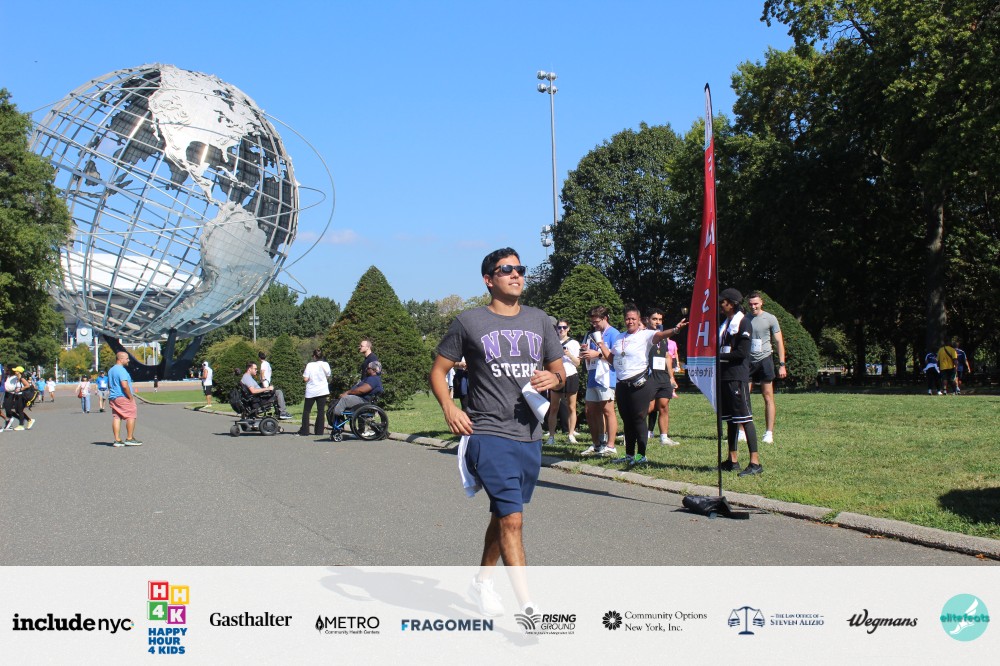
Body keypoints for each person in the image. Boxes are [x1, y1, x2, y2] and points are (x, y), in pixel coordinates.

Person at [429, 248, 563, 618]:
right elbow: (438, 371)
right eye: (507, 270)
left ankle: (482, 582)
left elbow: (560, 371)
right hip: (487, 431)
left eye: (520, 269)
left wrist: (554, 378)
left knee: (504, 513)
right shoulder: (469, 321)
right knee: (513, 520)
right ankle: (528, 609)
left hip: (529, 434)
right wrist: (449, 407)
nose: (516, 274)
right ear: (489, 279)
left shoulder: (540, 320)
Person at [607, 304, 687, 466]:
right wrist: (600, 349)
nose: (630, 321)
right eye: (627, 319)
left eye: (633, 319)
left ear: (639, 320)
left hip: (639, 384)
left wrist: (675, 330)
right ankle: (629, 455)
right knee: (627, 420)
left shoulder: (645, 335)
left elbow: (661, 334)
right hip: (622, 384)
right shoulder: (619, 337)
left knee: (638, 418)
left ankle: (641, 455)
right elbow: (613, 358)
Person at [718, 288, 762, 477]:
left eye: (722, 302)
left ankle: (755, 462)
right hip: (725, 376)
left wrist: (718, 356)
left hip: (737, 377)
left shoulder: (743, 323)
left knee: (744, 418)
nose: (720, 305)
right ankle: (732, 460)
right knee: (731, 420)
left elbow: (742, 353)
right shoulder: (726, 324)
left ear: (732, 303)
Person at [578, 306, 620, 458]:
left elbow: (616, 358)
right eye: (592, 322)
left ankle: (610, 445)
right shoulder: (591, 334)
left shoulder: (614, 334)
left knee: (607, 410)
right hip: (592, 376)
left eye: (596, 322)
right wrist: (584, 351)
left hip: (607, 377)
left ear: (605, 318)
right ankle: (597, 444)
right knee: (590, 411)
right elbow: (586, 354)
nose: (594, 325)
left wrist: (598, 354)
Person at [745, 291, 787, 444]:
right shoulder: (744, 319)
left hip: (765, 359)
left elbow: (779, 342)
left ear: (761, 302)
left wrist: (782, 365)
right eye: (750, 304)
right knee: (744, 396)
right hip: (748, 361)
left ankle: (769, 433)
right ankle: (742, 431)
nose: (753, 307)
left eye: (756, 303)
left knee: (768, 396)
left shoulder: (770, 318)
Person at [645, 308, 681, 446]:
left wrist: (671, 377)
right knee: (648, 407)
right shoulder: (644, 335)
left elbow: (667, 357)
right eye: (654, 319)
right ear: (648, 320)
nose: (658, 322)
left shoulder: (664, 338)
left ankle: (664, 438)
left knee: (664, 406)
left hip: (663, 376)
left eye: (660, 319)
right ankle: (632, 433)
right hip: (649, 376)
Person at [546, 319, 581, 445]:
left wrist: (568, 354)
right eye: (559, 327)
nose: (562, 330)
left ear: (568, 329)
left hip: (571, 375)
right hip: (557, 377)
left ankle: (571, 434)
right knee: (554, 407)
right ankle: (551, 436)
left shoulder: (574, 343)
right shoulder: (552, 342)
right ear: (556, 329)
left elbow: (577, 363)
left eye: (564, 327)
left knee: (572, 407)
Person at [329, 361, 383, 434]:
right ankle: (337, 420)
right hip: (361, 400)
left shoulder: (373, 379)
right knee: (335, 402)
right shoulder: (371, 378)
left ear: (373, 370)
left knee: (344, 399)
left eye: (368, 368)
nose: (366, 369)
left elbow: (362, 390)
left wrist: (348, 392)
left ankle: (336, 415)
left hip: (363, 401)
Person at [108, 351, 141, 446]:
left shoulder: (111, 370)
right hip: (123, 396)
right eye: (127, 358)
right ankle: (129, 438)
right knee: (131, 416)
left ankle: (117, 440)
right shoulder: (121, 370)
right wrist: (130, 397)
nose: (128, 360)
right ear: (120, 359)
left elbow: (109, 384)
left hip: (113, 397)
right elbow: (124, 385)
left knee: (117, 417)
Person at [299, 349, 332, 436]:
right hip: (322, 390)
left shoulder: (310, 365)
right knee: (321, 411)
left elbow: (305, 378)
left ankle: (305, 431)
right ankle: (319, 431)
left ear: (314, 356)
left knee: (307, 411)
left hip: (311, 390)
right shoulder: (326, 364)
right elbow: (328, 375)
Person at [3, 366, 35, 430]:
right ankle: (29, 420)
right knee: (17, 410)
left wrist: (20, 389)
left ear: (19, 372)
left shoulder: (22, 379)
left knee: (20, 410)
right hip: (17, 395)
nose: (15, 372)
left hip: (21, 396)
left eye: (16, 371)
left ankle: (21, 425)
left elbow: (27, 385)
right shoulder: (17, 378)